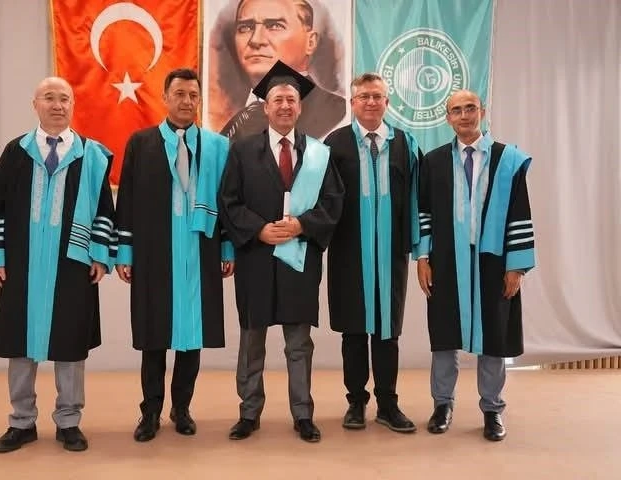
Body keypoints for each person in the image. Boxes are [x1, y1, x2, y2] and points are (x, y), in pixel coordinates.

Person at [0, 76, 116, 453]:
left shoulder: (91, 156)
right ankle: (21, 422)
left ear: (73, 105)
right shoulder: (16, 152)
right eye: (49, 98)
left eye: (64, 98)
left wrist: (99, 256)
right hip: (22, 264)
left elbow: (105, 211)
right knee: (20, 344)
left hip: (73, 263)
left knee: (70, 345)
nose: (57, 105)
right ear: (35, 104)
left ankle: (69, 421)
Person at [219, 60, 344, 443]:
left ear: (300, 106)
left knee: (298, 343)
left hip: (299, 258)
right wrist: (259, 229)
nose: (285, 106)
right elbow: (229, 201)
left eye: (291, 100)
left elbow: (333, 201)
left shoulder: (319, 153)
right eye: (278, 100)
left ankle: (303, 414)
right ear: (266, 106)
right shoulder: (242, 151)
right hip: (256, 259)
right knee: (251, 340)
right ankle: (249, 412)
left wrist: (302, 225)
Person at [115, 68, 235, 442]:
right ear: (165, 97)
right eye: (179, 94)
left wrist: (227, 247)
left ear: (200, 100)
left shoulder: (217, 147)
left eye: (193, 95)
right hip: (154, 254)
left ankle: (181, 408)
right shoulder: (141, 144)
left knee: (192, 335)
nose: (186, 101)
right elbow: (126, 201)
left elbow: (228, 203)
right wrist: (125, 252)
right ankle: (149, 412)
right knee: (154, 335)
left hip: (201, 251)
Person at [415, 90, 535, 441]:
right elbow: (424, 213)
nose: (464, 115)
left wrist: (516, 266)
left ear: (482, 112)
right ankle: (442, 404)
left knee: (494, 335)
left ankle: (493, 409)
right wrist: (422, 257)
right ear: (447, 118)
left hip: (493, 262)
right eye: (457, 110)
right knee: (444, 335)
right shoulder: (433, 161)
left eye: (470, 108)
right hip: (446, 260)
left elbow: (520, 213)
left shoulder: (507, 160)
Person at [324, 73, 422, 432]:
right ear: (352, 103)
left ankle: (387, 403)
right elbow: (321, 200)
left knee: (386, 331)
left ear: (387, 102)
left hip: (390, 253)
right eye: (363, 96)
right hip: (348, 251)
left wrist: (418, 247)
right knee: (353, 330)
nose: (370, 102)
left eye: (377, 96)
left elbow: (416, 197)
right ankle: (356, 401)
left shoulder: (405, 144)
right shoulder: (334, 144)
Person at [211, 0, 346, 140]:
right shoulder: (238, 120)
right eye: (245, 28)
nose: (255, 40)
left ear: (310, 42)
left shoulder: (337, 112)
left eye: (275, 26)